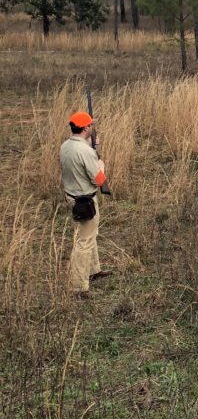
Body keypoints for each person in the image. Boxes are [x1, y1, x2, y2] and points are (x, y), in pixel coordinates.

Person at [60, 111, 111, 298]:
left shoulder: (66, 146)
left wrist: (92, 147)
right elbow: (99, 179)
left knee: (88, 234)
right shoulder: (85, 151)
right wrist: (101, 163)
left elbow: (79, 158)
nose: (93, 127)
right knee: (84, 241)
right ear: (87, 128)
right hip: (86, 200)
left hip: (73, 197)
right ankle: (79, 286)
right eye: (91, 125)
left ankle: (94, 270)